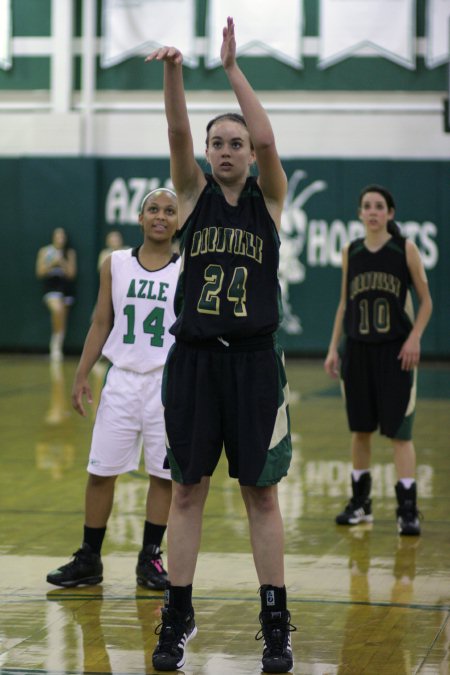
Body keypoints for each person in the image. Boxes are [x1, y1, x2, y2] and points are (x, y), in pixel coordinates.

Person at [145, 17, 295, 674]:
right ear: (207, 153)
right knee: (186, 489)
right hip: (196, 361)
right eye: (219, 142)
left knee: (261, 494)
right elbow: (177, 134)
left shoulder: (270, 200)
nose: (230, 149)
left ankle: (274, 620)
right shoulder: (192, 196)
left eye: (236, 142)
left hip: (256, 364)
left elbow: (267, 137)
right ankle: (177, 611)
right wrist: (176, 72)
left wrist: (233, 68)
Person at [46, 188, 180, 590]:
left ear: (179, 221)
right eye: (153, 209)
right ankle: (89, 557)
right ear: (139, 218)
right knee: (101, 470)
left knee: (163, 475)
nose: (160, 216)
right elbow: (102, 321)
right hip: (121, 379)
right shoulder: (115, 263)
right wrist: (82, 371)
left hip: (166, 383)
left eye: (169, 211)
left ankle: (149, 558)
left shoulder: (188, 268)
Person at [324, 184, 433, 536]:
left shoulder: (405, 249)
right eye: (367, 206)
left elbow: (426, 301)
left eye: (379, 206)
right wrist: (332, 348)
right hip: (357, 351)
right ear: (360, 213)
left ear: (390, 213)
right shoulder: (351, 251)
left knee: (400, 434)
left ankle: (407, 508)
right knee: (360, 431)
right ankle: (361, 503)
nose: (372, 211)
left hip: (395, 352)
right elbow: (343, 304)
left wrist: (414, 337)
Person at [36, 227, 77, 360]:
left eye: (62, 236)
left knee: (62, 320)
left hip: (65, 287)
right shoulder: (45, 251)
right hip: (51, 286)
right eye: (57, 236)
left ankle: (58, 346)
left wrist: (62, 262)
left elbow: (71, 274)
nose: (60, 239)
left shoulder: (69, 253)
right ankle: (54, 344)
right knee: (57, 310)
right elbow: (40, 272)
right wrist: (53, 263)